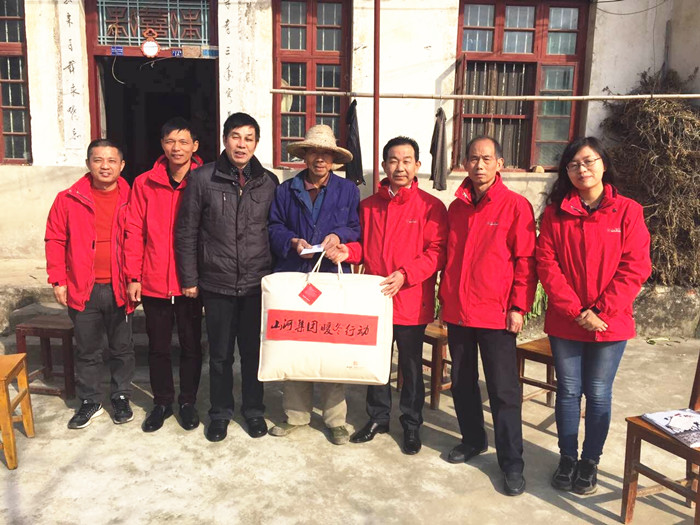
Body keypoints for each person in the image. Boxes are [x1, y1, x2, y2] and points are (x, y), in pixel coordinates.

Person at [536, 137, 651, 495]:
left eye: (588, 161)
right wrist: (576, 311)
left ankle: (590, 461)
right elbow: (547, 264)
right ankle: (567, 457)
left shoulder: (628, 211)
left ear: (603, 164)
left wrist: (600, 310)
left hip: (609, 321)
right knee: (569, 391)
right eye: (573, 164)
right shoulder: (555, 214)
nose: (581, 169)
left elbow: (636, 266)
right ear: (566, 172)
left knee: (598, 392)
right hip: (566, 320)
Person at [326, 136, 447, 454]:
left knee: (410, 366)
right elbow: (362, 246)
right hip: (375, 299)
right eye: (393, 160)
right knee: (375, 362)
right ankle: (378, 418)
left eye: (406, 161)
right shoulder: (369, 206)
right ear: (383, 165)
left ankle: (411, 423)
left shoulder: (431, 207)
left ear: (417, 165)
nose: (400, 167)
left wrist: (406, 274)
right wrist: (347, 251)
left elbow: (437, 251)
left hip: (411, 299)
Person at [439, 136, 537, 496]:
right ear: (465, 163)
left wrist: (518, 306)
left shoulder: (515, 206)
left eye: (486, 158)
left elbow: (525, 261)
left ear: (499, 163)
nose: (479, 165)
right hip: (459, 312)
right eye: (473, 158)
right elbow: (449, 258)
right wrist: (445, 300)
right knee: (462, 382)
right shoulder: (456, 208)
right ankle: (473, 439)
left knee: (503, 390)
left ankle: (511, 462)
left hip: (496, 313)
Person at [175, 112, 279, 442]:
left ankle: (254, 410)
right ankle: (220, 412)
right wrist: (189, 278)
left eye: (249, 138)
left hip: (256, 283)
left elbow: (274, 230)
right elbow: (187, 231)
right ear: (224, 140)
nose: (242, 144)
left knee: (252, 353)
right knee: (220, 355)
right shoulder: (202, 179)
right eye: (236, 137)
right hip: (216, 282)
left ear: (256, 144)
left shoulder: (268, 182)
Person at [267, 124, 360, 445]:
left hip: (331, 278)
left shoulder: (348, 191)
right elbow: (273, 226)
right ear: (304, 156)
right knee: (296, 345)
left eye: (326, 154)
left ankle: (335, 420)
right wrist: (292, 241)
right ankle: (296, 415)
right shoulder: (286, 190)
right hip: (295, 276)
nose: (320, 159)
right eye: (314, 153)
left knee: (331, 346)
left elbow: (355, 227)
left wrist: (338, 236)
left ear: (334, 159)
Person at [45, 139, 135, 429]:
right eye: (98, 160)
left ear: (122, 165)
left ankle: (121, 395)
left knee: (122, 347)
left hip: (120, 287)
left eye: (111, 161)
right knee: (87, 349)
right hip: (83, 287)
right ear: (88, 164)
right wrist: (58, 280)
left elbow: (140, 239)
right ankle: (90, 400)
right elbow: (55, 239)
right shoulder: (68, 199)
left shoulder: (133, 198)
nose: (105, 166)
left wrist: (136, 278)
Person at [125, 117, 204, 433]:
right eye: (170, 141)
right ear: (162, 145)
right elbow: (134, 230)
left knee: (191, 345)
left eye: (183, 142)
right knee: (158, 347)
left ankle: (188, 402)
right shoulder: (144, 183)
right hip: (155, 279)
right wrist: (134, 276)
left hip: (190, 282)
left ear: (195, 146)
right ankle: (161, 402)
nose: (177, 148)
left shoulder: (205, 180)